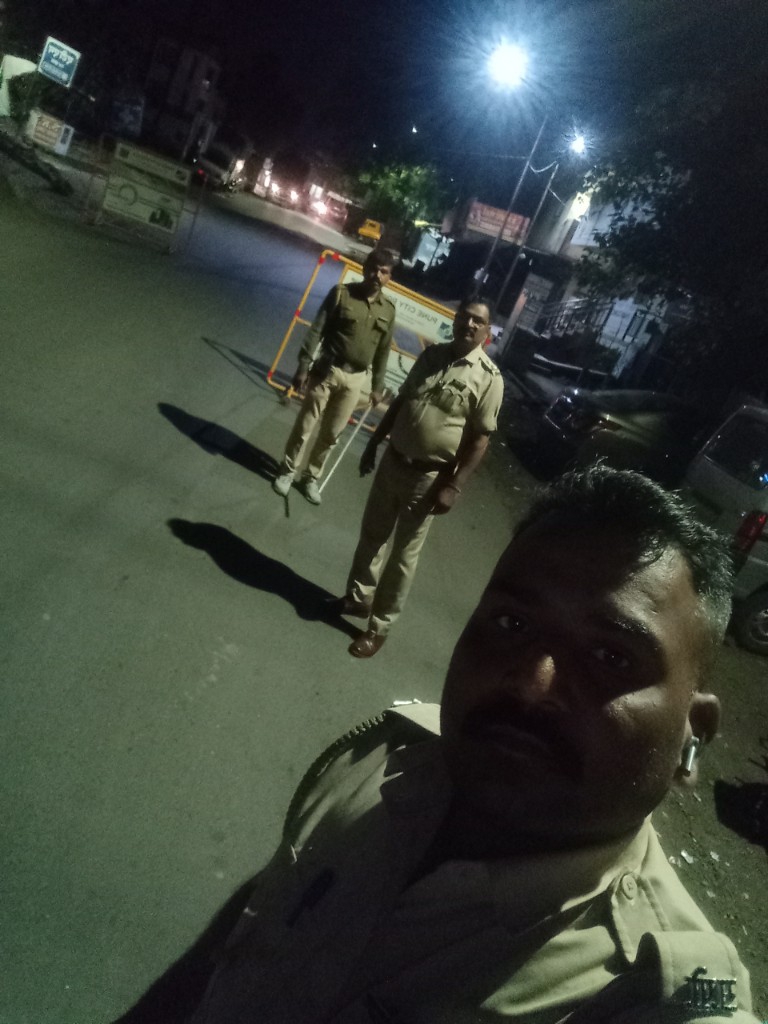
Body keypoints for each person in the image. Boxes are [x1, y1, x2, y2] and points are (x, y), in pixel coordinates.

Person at [114, 466, 759, 1024]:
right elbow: (245, 932)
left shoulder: (646, 991)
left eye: (611, 657)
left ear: (694, 733)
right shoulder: (380, 761)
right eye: (510, 623)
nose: (531, 685)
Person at [340, 296, 504, 658]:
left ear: (487, 331)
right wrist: (375, 442)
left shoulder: (489, 378)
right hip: (394, 460)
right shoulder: (431, 356)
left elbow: (480, 441)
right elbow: (402, 401)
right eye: (465, 317)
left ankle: (379, 628)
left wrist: (454, 486)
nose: (469, 324)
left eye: (478, 321)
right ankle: (358, 598)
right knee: (372, 535)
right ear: (456, 319)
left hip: (428, 479)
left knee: (402, 557)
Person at [272, 249, 397, 505]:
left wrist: (377, 386)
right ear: (365, 268)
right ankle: (288, 472)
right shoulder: (342, 294)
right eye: (374, 269)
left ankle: (311, 477)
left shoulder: (388, 309)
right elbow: (316, 330)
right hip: (327, 371)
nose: (377, 275)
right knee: (306, 426)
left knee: (332, 433)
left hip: (355, 380)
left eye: (384, 272)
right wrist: (303, 366)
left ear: (389, 277)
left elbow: (383, 352)